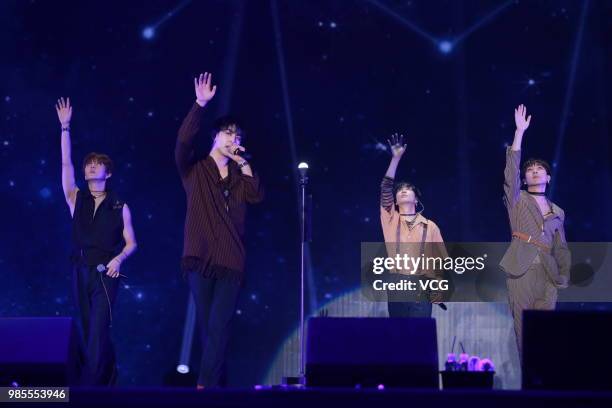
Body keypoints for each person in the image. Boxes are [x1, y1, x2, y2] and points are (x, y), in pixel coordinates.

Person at [175, 72, 264, 388]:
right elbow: (183, 143)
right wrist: (199, 104)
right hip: (199, 257)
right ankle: (215, 385)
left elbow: (255, 195)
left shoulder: (240, 179)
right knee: (207, 326)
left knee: (220, 325)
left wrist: (244, 163)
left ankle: (205, 386)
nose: (233, 140)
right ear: (215, 137)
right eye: (228, 134)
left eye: (238, 136)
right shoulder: (195, 171)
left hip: (230, 260)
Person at [56, 97, 137, 385]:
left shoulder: (119, 205)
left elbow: (131, 243)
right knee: (90, 327)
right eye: (88, 164)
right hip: (80, 270)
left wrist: (119, 259)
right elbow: (66, 162)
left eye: (97, 164)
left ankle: (89, 389)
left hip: (106, 273)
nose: (90, 167)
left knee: (98, 329)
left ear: (108, 173)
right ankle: (107, 379)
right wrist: (65, 127)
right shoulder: (75, 197)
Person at [500, 104, 571, 358]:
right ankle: (528, 386)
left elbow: (561, 246)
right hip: (522, 270)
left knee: (546, 333)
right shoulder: (517, 200)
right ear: (525, 179)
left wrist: (563, 275)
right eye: (530, 170)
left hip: (548, 274)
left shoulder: (558, 211)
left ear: (548, 178)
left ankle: (545, 384)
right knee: (524, 332)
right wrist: (519, 133)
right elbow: (510, 174)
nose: (534, 171)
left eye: (540, 169)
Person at [380, 133, 445, 318]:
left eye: (407, 189)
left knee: (419, 336)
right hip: (397, 285)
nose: (402, 191)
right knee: (399, 337)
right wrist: (395, 158)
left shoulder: (430, 226)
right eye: (399, 190)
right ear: (395, 199)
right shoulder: (390, 220)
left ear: (416, 199)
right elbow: (385, 189)